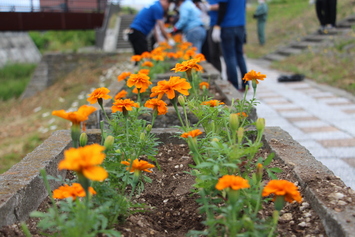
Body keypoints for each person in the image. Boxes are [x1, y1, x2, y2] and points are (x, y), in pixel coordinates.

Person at [211, 0, 249, 91]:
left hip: (228, 25)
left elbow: (222, 8)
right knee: (240, 55)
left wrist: (217, 25)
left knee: (230, 56)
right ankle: (246, 84)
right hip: (240, 25)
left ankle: (234, 85)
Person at [206, 0, 222, 72]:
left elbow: (223, 6)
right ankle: (218, 73)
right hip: (211, 25)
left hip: (220, 26)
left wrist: (210, 7)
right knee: (213, 54)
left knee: (223, 55)